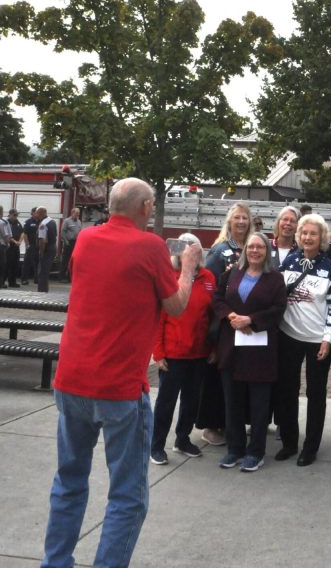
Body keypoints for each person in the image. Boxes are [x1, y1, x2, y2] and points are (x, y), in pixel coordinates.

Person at [40, 177, 202, 568]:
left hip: (72, 380)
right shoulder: (149, 247)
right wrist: (189, 268)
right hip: (119, 388)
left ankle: (55, 561)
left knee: (69, 481)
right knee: (128, 496)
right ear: (145, 207)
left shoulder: (87, 240)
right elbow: (177, 306)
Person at [213, 232, 287, 472]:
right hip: (232, 347)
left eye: (260, 247)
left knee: (258, 404)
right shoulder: (232, 273)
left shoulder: (275, 279)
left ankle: (255, 452)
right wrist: (231, 316)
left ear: (267, 252)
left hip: (260, 350)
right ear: (245, 250)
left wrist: (251, 319)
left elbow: (279, 309)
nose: (255, 251)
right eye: (251, 247)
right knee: (232, 401)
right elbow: (217, 299)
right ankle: (234, 449)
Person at [275, 214, 331, 466]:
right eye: (304, 233)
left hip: (317, 340)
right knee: (287, 391)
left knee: (316, 393)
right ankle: (290, 443)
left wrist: (328, 339)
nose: (307, 237)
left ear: (322, 238)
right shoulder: (289, 263)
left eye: (313, 234)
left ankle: (310, 447)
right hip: (289, 336)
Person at [150, 233, 215, 465]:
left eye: (195, 250)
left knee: (191, 401)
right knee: (166, 402)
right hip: (173, 354)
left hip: (199, 353)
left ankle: (182, 439)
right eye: (186, 250)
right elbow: (159, 318)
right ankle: (156, 445)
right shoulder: (169, 277)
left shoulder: (209, 278)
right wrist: (158, 352)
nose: (191, 254)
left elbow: (211, 316)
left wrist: (213, 347)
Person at [198, 202, 253, 446]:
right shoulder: (220, 250)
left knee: (238, 376)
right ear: (229, 221)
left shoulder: (253, 248)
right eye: (237, 218)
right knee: (218, 375)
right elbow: (209, 286)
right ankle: (211, 425)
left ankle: (234, 422)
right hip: (223, 323)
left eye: (245, 218)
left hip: (247, 325)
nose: (241, 222)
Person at [36, 207, 58, 292]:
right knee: (46, 271)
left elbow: (42, 240)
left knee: (42, 272)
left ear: (41, 213)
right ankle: (45, 290)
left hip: (47, 250)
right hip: (52, 247)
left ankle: (42, 291)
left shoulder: (43, 224)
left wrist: (41, 252)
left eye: (37, 213)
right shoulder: (52, 221)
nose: (36, 215)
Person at [59, 207, 82, 280]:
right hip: (68, 242)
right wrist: (66, 241)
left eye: (78, 214)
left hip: (76, 243)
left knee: (73, 260)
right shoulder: (67, 221)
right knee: (65, 260)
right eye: (76, 213)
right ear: (72, 213)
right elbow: (63, 231)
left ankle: (70, 276)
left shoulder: (79, 221)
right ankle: (61, 277)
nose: (78, 215)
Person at [4, 209, 23, 287]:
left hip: (16, 247)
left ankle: (12, 282)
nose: (16, 217)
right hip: (9, 247)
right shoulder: (6, 223)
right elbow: (7, 235)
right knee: (7, 264)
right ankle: (2, 281)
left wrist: (20, 241)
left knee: (15, 264)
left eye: (17, 215)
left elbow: (22, 232)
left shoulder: (17, 223)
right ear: (10, 215)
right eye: (14, 215)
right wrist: (15, 242)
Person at [21, 208, 40, 284]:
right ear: (32, 213)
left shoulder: (40, 222)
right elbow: (25, 234)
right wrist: (27, 244)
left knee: (37, 263)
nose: (37, 214)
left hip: (38, 245)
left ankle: (37, 279)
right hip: (31, 245)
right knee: (27, 263)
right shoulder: (28, 222)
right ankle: (24, 279)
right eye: (36, 212)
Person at [0, 207, 10, 288]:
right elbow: (5, 236)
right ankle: (1, 283)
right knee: (2, 265)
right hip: (1, 246)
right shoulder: (2, 223)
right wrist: (7, 244)